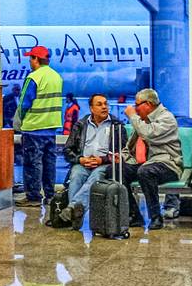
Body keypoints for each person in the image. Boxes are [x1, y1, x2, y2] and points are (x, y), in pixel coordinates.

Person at [60, 94, 128, 228]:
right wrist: (80, 159)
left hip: (104, 164)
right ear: (91, 108)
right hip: (83, 163)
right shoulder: (80, 125)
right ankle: (76, 215)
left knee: (96, 176)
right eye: (100, 104)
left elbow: (122, 152)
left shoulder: (117, 126)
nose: (104, 107)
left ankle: (72, 209)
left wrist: (101, 160)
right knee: (76, 175)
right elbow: (68, 150)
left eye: (105, 104)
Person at [122, 88, 181, 230]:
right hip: (146, 163)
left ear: (148, 104)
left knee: (145, 172)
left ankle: (155, 217)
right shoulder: (143, 121)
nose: (135, 109)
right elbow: (130, 146)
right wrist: (122, 157)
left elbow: (148, 133)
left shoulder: (167, 118)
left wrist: (132, 116)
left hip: (168, 164)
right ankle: (134, 215)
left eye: (137, 105)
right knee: (116, 171)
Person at [14, 46, 65, 209]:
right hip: (51, 127)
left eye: (31, 58)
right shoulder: (56, 77)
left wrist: (18, 121)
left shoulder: (34, 77)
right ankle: (50, 195)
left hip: (34, 127)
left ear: (36, 59)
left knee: (32, 163)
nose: (29, 61)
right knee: (49, 162)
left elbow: (24, 103)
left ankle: (34, 196)